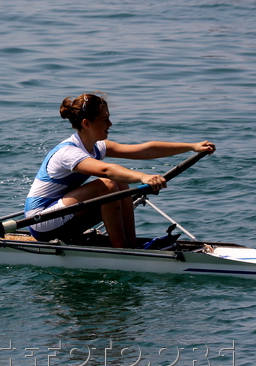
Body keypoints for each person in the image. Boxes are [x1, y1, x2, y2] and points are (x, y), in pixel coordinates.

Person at [24, 93, 215, 249]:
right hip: (41, 220)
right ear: (86, 123)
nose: (110, 124)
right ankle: (122, 251)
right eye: (105, 120)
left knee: (121, 184)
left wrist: (192, 146)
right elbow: (107, 170)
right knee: (107, 184)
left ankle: (129, 247)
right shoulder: (68, 153)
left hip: (62, 215)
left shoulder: (97, 147)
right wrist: (144, 177)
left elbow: (145, 150)